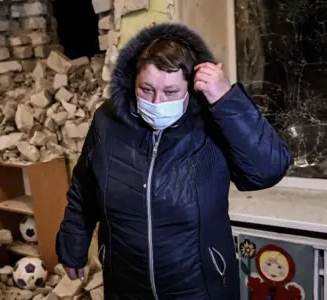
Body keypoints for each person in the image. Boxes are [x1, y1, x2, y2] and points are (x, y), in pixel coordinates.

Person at [55, 23, 292, 299]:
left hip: (200, 288)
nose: (157, 102)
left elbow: (268, 171)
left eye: (170, 92)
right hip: (125, 285)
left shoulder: (212, 120)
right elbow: (85, 189)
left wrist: (228, 100)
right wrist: (73, 243)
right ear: (132, 81)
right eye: (146, 89)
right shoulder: (108, 121)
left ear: (191, 87)